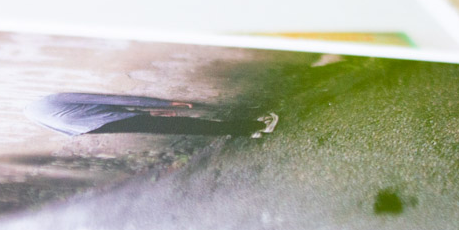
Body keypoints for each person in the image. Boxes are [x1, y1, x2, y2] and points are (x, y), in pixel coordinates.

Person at [24, 92, 278, 138]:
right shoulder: (51, 99)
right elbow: (115, 101)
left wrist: (152, 112)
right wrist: (165, 103)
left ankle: (248, 131)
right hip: (108, 120)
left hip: (95, 129)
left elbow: (70, 129)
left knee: (176, 128)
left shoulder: (34, 114)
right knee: (188, 126)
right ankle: (254, 126)